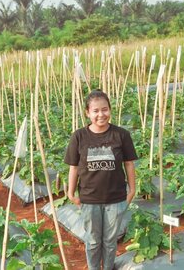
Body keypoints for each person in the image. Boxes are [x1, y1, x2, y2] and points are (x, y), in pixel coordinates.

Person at [65, 89, 137, 270]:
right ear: (87, 113)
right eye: (96, 111)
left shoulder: (121, 135)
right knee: (93, 241)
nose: (101, 114)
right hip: (89, 199)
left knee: (110, 241)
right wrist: (70, 192)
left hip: (116, 198)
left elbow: (129, 164)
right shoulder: (79, 136)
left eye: (104, 109)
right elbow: (73, 167)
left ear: (110, 110)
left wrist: (132, 190)